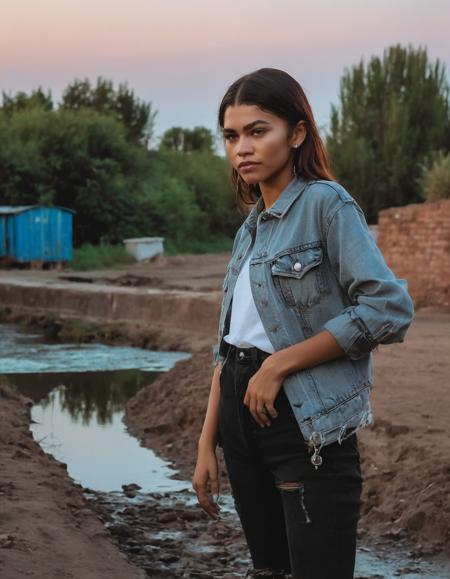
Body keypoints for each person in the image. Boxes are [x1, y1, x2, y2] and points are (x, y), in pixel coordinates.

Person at [192, 68, 415, 579]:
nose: (242, 148)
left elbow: (388, 307)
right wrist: (208, 444)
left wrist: (280, 366)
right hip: (239, 417)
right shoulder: (249, 231)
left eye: (257, 130)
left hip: (303, 422)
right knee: (270, 570)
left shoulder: (325, 204)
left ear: (296, 134)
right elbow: (227, 347)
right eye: (231, 135)